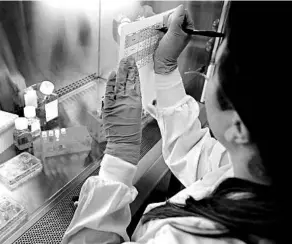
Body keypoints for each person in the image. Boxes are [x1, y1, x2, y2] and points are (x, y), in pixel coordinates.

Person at [62, 2, 290, 243]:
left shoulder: (180, 238)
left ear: (238, 127)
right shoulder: (262, 172)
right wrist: (165, 69)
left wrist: (119, 158)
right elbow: (196, 154)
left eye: (215, 70)